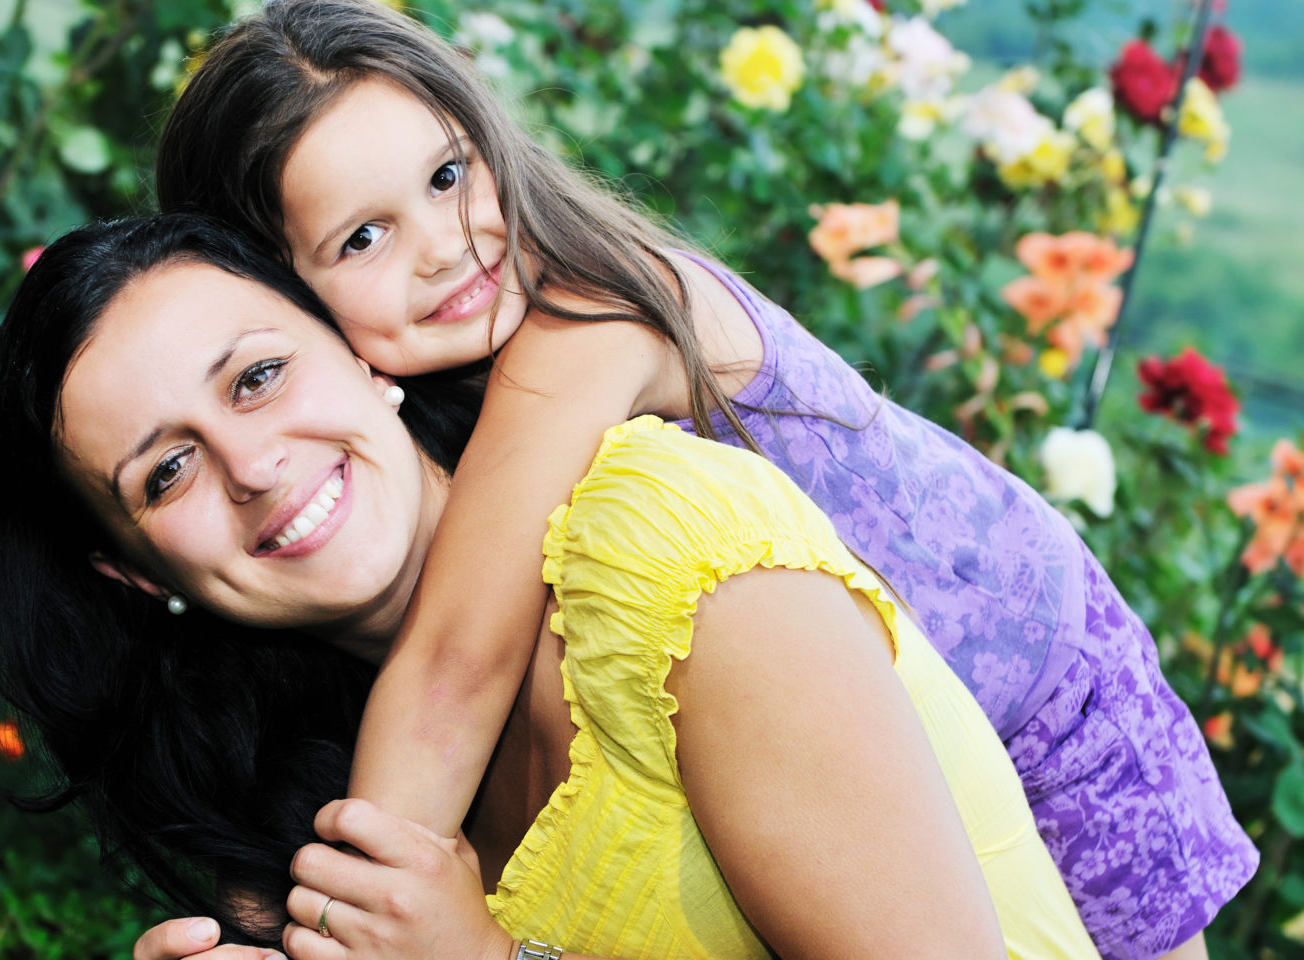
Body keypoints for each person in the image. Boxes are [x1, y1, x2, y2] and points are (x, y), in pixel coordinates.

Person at [152, 3, 1253, 957]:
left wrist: (352, 924)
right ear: (280, 292)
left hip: (1046, 690)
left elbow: (453, 665)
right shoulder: (463, 388)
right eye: (362, 240)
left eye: (447, 176)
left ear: (491, 140)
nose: (444, 246)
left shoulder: (583, 318)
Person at [0, 211, 1100, 959]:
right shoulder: (308, 806)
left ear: (363, 356)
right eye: (166, 471)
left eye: (260, 376)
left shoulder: (659, 550)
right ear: (132, 572)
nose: (252, 466)